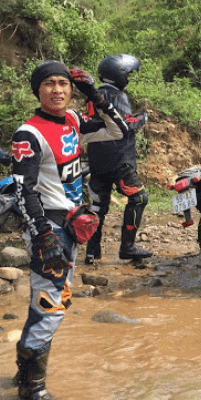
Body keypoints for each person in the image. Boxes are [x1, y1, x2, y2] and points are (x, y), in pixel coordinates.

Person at [11, 60, 129, 400]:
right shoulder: (28, 134)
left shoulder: (74, 122)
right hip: (49, 228)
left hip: (73, 224)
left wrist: (95, 93)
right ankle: (32, 388)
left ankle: (23, 371)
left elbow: (119, 130)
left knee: (50, 301)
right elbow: (24, 190)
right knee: (50, 305)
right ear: (38, 90)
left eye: (64, 83)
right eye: (49, 83)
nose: (58, 90)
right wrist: (44, 238)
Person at [84, 54, 152, 264]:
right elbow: (126, 124)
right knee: (139, 198)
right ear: (120, 75)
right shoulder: (117, 96)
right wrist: (144, 117)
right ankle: (128, 247)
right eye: (128, 74)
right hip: (119, 160)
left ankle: (91, 253)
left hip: (97, 159)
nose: (129, 78)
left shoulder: (93, 96)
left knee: (97, 207)